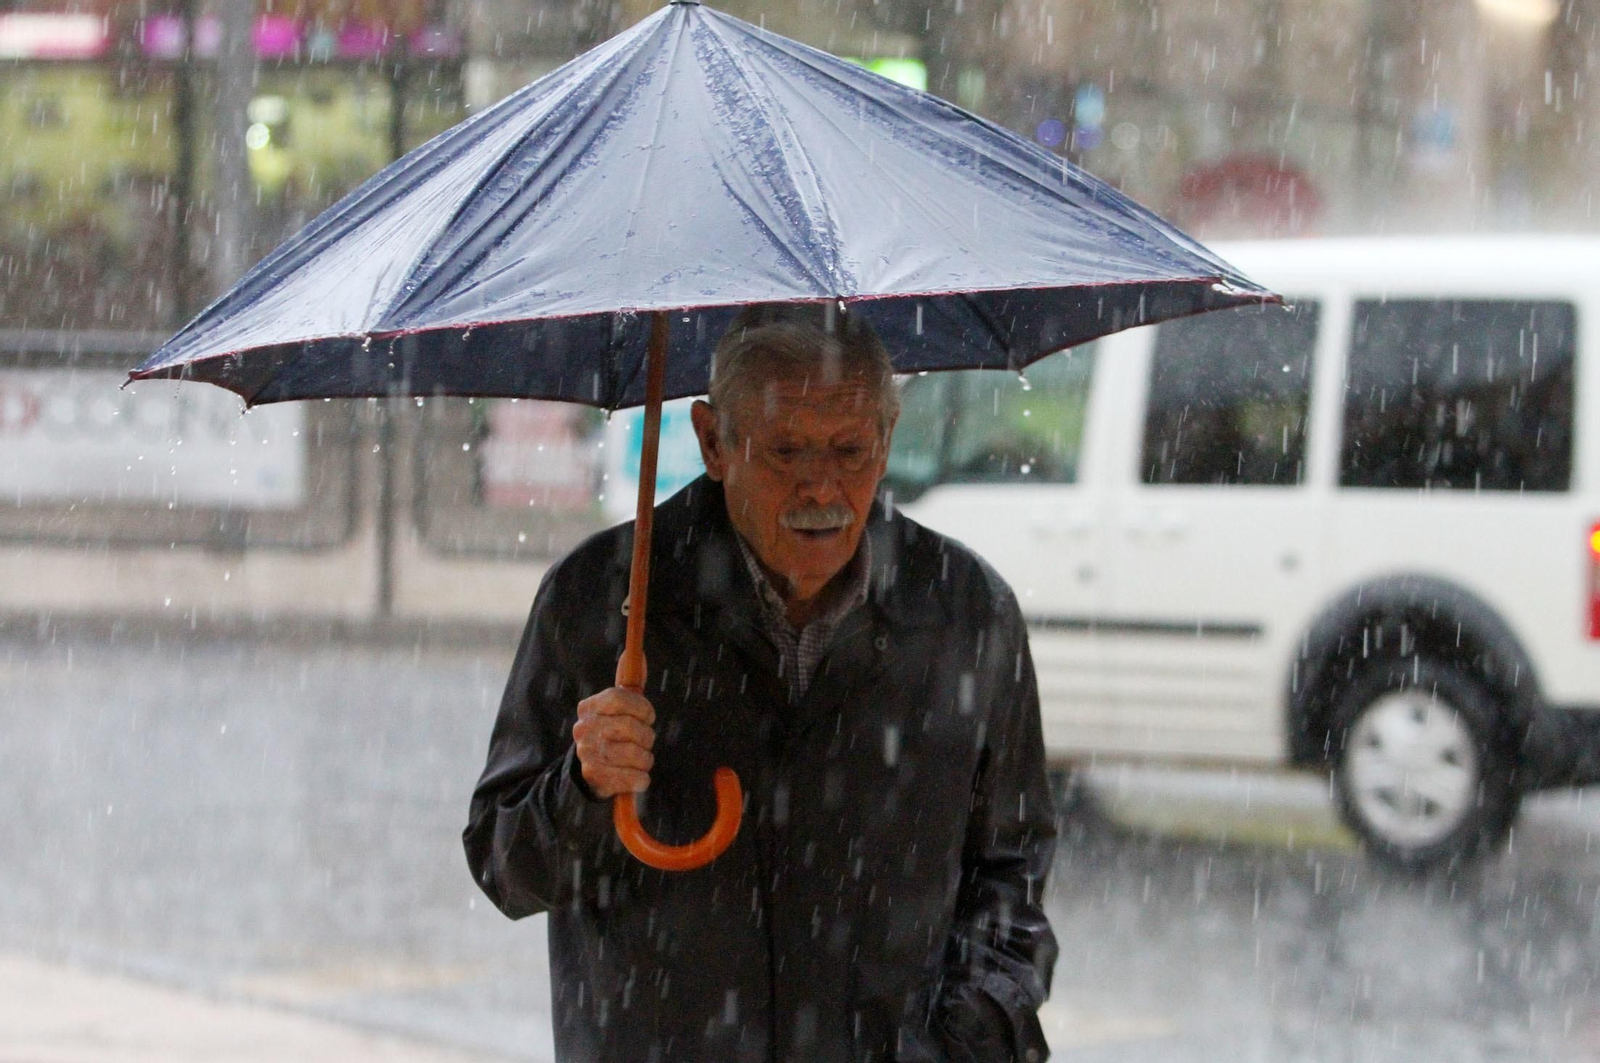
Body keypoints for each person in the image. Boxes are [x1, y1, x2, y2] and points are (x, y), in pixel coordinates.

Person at [464, 304, 1058, 1063]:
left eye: (851, 450)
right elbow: (504, 864)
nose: (822, 489)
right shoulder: (600, 600)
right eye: (785, 451)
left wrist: (957, 1043)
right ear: (713, 440)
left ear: (889, 435)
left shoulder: (966, 610)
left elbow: (1011, 876)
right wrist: (581, 788)